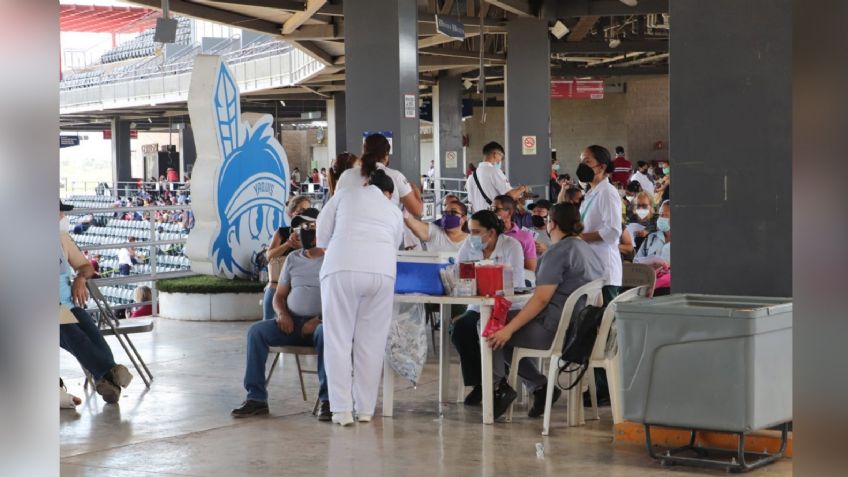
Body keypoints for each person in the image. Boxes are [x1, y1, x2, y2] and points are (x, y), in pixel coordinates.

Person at [486, 203, 605, 419]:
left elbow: (541, 300)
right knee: (504, 335)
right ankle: (538, 386)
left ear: (552, 223)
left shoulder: (557, 252)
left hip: (554, 330)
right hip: (581, 329)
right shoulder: (588, 250)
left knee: (492, 329)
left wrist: (508, 329)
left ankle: (498, 390)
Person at [316, 169, 404, 426]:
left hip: (342, 268)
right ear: (389, 193)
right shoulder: (393, 210)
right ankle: (365, 409)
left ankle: (342, 411)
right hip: (382, 273)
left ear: (367, 183)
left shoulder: (346, 194)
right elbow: (395, 243)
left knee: (338, 340)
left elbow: (322, 233)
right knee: (371, 343)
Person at [232, 212, 330, 420]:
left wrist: (320, 319)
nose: (302, 234)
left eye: (308, 229)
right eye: (299, 230)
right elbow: (280, 296)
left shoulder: (332, 259)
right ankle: (256, 398)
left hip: (320, 324)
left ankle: (328, 400)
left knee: (326, 334)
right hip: (291, 322)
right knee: (256, 332)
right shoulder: (293, 258)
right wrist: (282, 314)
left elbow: (341, 298)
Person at [60, 201, 133, 404]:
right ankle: (110, 373)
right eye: (57, 213)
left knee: (93, 334)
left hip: (68, 305)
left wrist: (80, 279)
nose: (61, 218)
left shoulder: (62, 239)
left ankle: (107, 380)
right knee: (75, 335)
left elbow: (85, 266)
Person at [450, 210, 525, 407]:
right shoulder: (469, 244)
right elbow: (459, 271)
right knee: (460, 329)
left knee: (488, 331)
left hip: (507, 306)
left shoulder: (512, 246)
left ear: (491, 232)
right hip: (478, 305)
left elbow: (515, 283)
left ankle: (494, 381)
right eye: (470, 231)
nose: (472, 237)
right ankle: (482, 383)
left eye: (476, 232)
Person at [335, 133, 424, 217]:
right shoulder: (396, 177)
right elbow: (417, 211)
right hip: (384, 231)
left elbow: (334, 206)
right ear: (386, 155)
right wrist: (416, 192)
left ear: (363, 152)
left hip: (349, 230)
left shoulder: (346, 175)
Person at [577, 145, 623, 305]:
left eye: (587, 162)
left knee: (604, 324)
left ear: (601, 166)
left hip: (605, 271)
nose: (582, 166)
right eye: (581, 162)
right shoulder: (590, 193)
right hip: (592, 268)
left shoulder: (607, 192)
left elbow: (613, 231)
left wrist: (579, 238)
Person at [262, 202, 315, 322]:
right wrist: (287, 244)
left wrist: (302, 247)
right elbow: (269, 256)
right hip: (278, 281)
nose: (304, 213)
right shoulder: (282, 232)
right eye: (301, 210)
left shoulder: (315, 235)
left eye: (307, 210)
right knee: (273, 288)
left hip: (301, 283)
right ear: (292, 213)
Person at [464, 141, 528, 213]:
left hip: (478, 218)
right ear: (495, 154)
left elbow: (471, 202)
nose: (500, 160)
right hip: (493, 216)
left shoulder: (471, 177)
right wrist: (522, 189)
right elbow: (510, 195)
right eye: (501, 157)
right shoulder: (495, 171)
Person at [492, 195, 537, 273]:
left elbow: (530, 270)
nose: (492, 212)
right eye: (490, 208)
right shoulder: (487, 234)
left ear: (509, 212)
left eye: (496, 209)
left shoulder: (525, 237)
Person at [404, 199, 469, 253]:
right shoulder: (434, 232)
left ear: (464, 218)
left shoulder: (472, 241)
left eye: (453, 212)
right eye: (445, 213)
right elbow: (411, 222)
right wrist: (408, 200)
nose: (447, 215)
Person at [634, 200, 671, 269]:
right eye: (660, 215)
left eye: (664, 215)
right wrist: (648, 264)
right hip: (649, 277)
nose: (660, 218)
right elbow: (635, 262)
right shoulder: (651, 239)